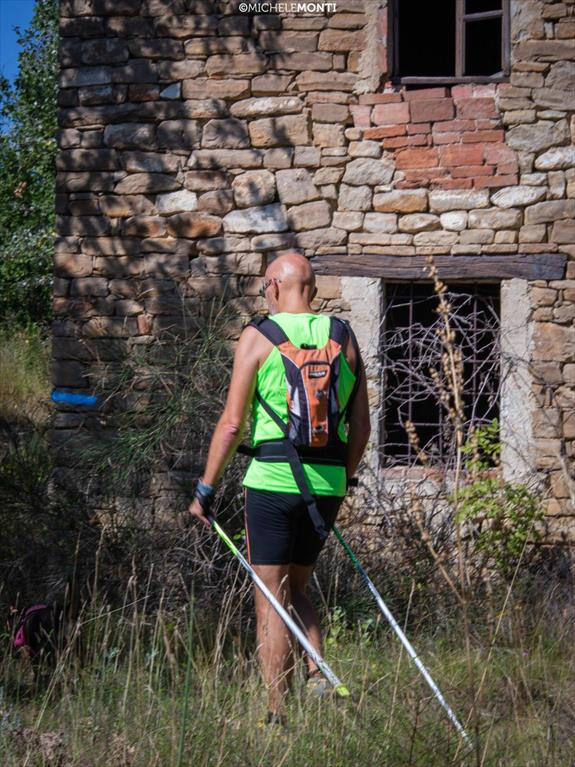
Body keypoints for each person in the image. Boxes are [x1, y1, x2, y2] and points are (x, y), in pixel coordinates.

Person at [188, 251, 371, 725]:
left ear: (272, 285)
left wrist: (206, 488)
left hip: (271, 482)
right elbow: (362, 427)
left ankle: (276, 714)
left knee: (270, 597)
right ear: (312, 289)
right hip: (327, 484)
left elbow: (232, 425)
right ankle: (316, 672)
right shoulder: (344, 337)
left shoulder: (258, 336)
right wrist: (344, 478)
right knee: (298, 586)